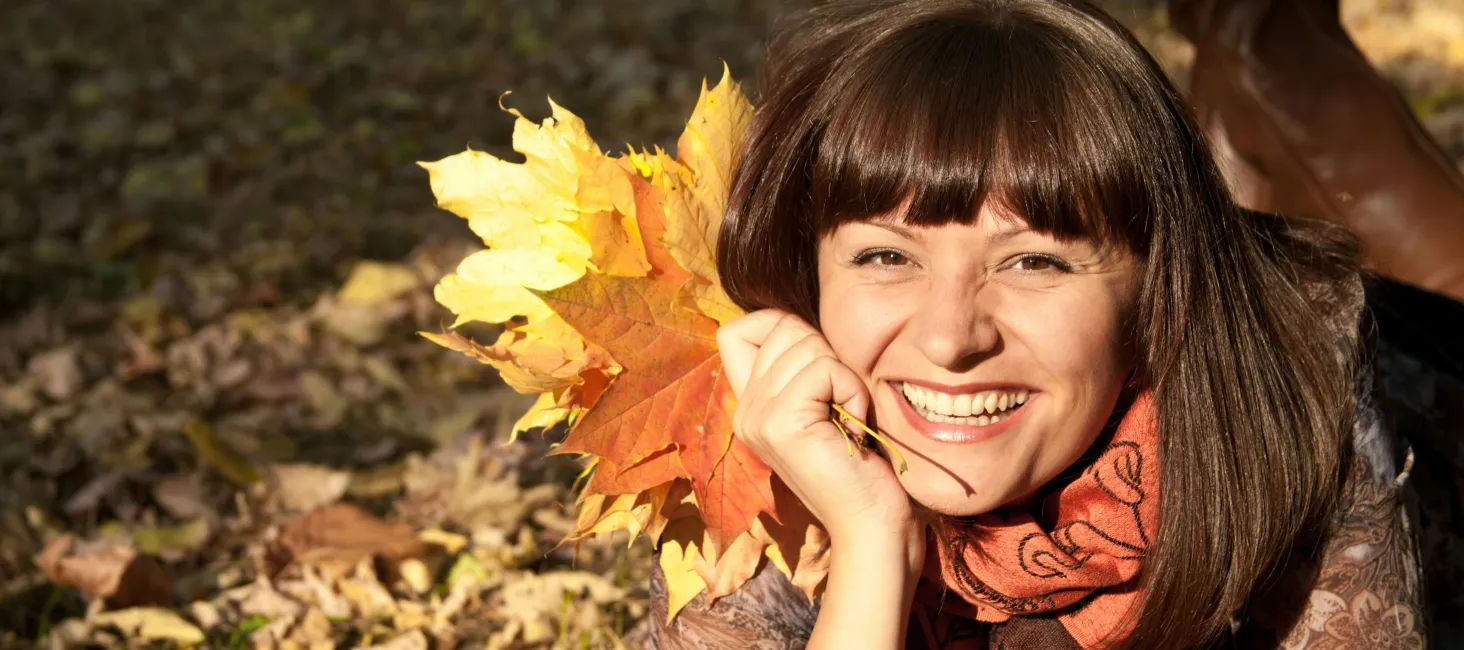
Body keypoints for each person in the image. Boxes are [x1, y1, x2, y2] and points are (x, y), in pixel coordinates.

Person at [620, 0, 1464, 647]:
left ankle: (1262, 45)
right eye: (885, 256)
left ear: (1155, 288)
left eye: (1037, 262)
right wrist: (872, 543)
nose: (951, 340)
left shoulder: (1293, 375)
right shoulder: (751, 423)